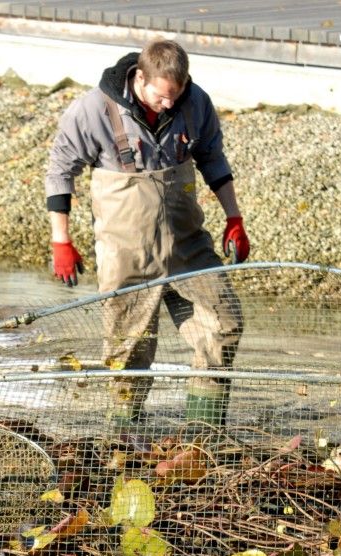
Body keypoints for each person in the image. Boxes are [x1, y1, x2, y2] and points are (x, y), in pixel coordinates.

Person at [46, 38, 250, 427]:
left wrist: (233, 218)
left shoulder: (196, 102)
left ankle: (202, 436)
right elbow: (60, 169)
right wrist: (62, 241)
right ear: (140, 77)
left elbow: (213, 158)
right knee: (129, 350)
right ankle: (124, 439)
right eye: (161, 97)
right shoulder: (94, 109)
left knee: (224, 323)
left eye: (177, 95)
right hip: (128, 254)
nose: (170, 104)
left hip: (187, 246)